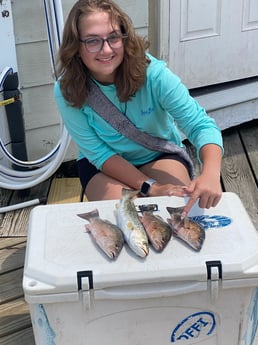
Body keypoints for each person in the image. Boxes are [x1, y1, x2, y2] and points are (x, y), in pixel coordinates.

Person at [54, 0, 223, 217]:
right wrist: (149, 187)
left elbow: (200, 125)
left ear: (125, 38)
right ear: (76, 47)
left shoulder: (154, 75)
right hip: (104, 164)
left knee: (177, 214)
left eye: (113, 37)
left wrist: (210, 173)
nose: (106, 49)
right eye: (92, 41)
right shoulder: (66, 89)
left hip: (158, 155)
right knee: (129, 221)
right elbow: (98, 153)